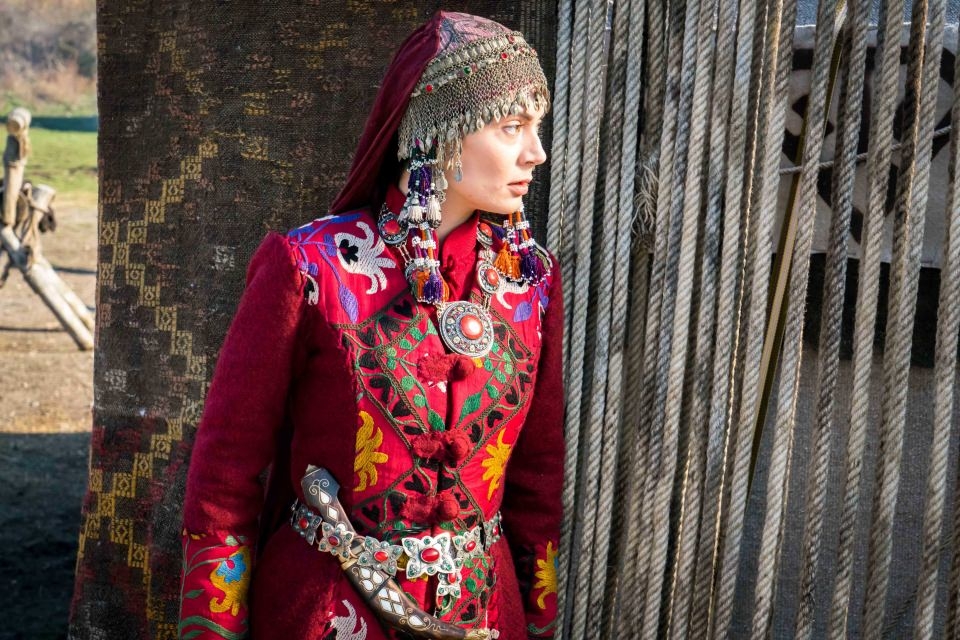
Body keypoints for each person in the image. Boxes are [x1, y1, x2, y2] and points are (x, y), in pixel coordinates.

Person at [179, 11, 564, 640]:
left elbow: (537, 482)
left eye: (535, 127)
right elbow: (225, 474)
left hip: (486, 616)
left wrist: (539, 623)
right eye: (511, 127)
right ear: (439, 133)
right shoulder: (311, 268)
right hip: (325, 611)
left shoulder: (531, 284)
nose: (535, 152)